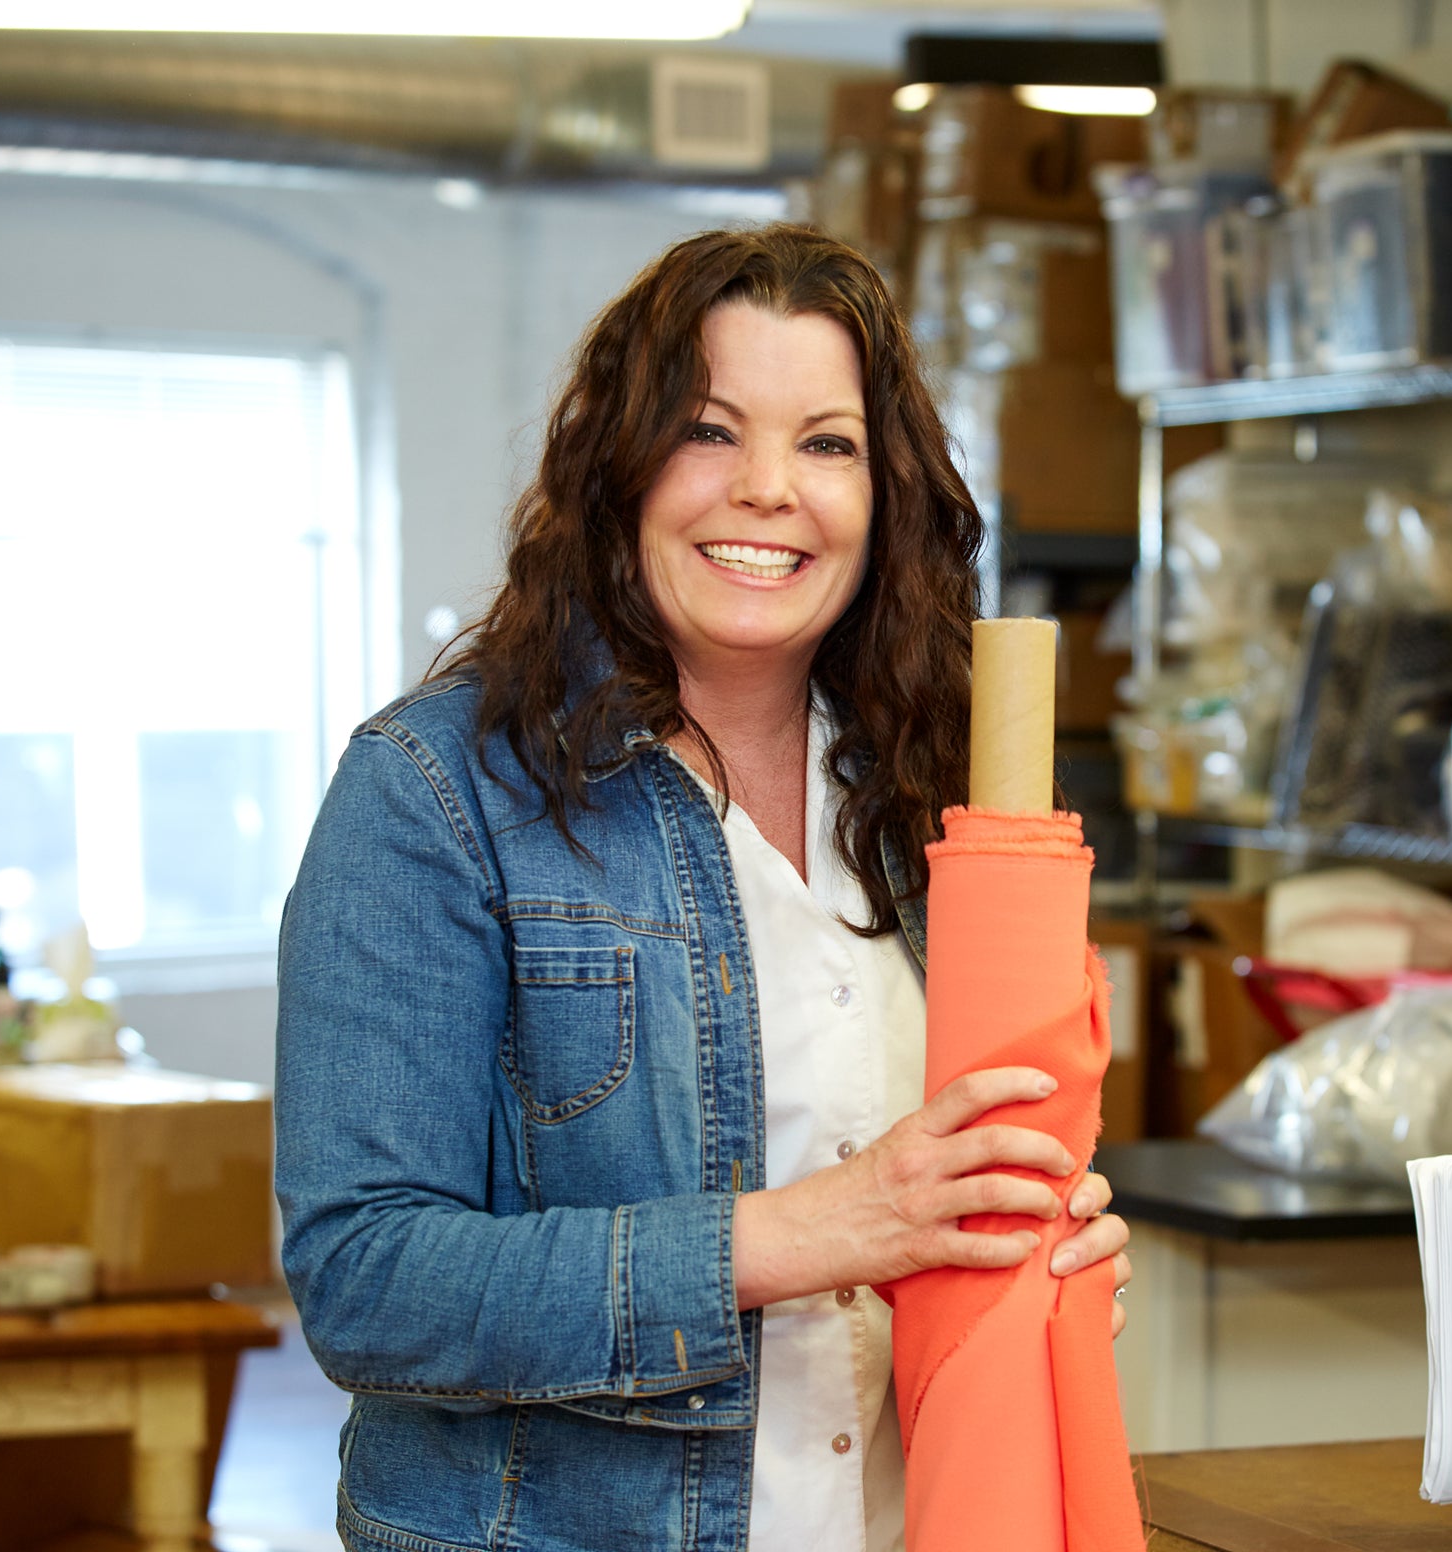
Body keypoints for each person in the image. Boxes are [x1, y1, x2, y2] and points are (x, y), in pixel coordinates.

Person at [275, 224, 1133, 1552]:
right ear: (615, 468)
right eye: (708, 431)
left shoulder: (929, 796)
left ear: (886, 495)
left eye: (828, 444)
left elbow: (950, 1183)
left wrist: (1033, 1250)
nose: (768, 489)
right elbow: (366, 1282)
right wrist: (806, 1234)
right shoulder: (434, 791)